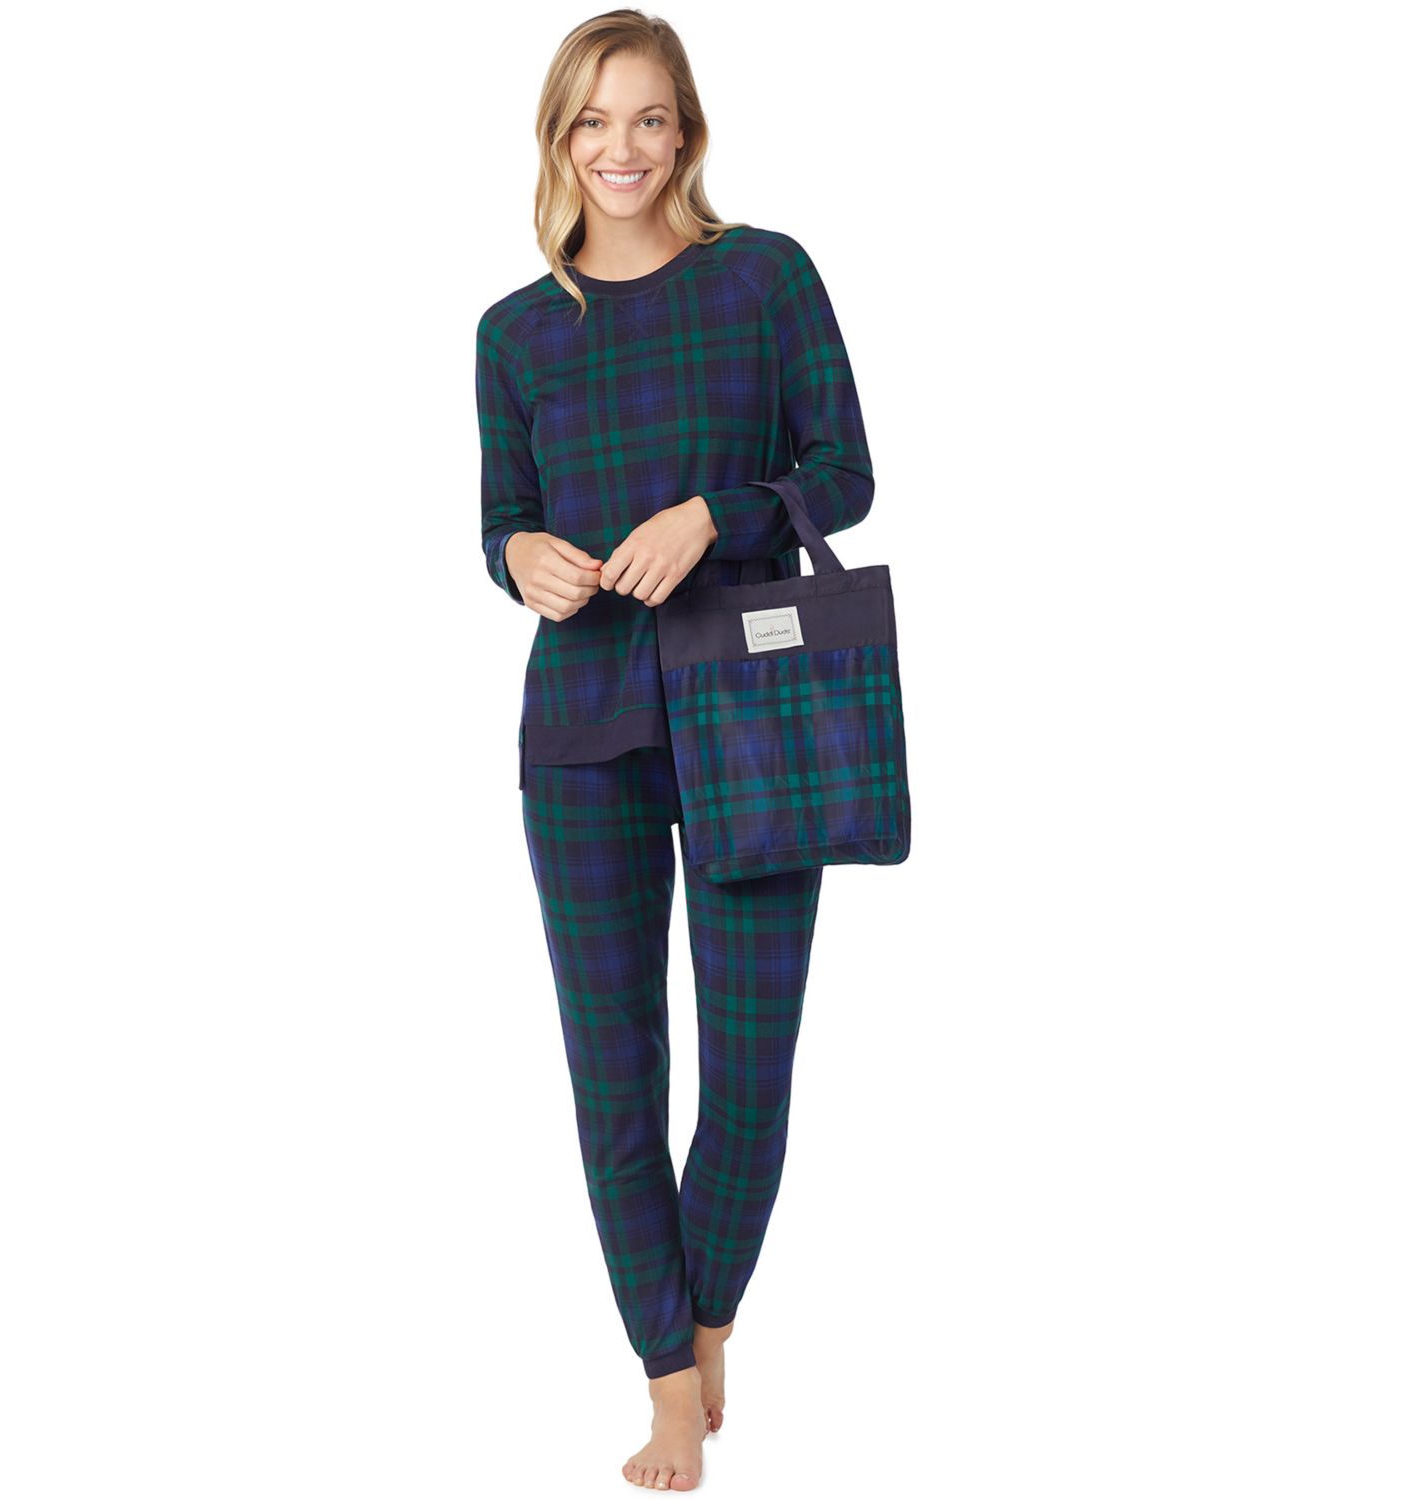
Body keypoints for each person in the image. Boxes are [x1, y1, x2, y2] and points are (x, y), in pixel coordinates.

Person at [475, 10, 874, 1491]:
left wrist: (717, 513)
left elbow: (847, 472)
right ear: (558, 138)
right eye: (592, 120)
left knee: (752, 1063)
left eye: (648, 118)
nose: (621, 148)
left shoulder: (764, 277)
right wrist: (519, 555)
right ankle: (666, 1381)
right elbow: (498, 522)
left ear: (687, 131)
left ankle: (709, 1323)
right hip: (583, 729)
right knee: (614, 1071)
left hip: (757, 715)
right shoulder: (516, 332)